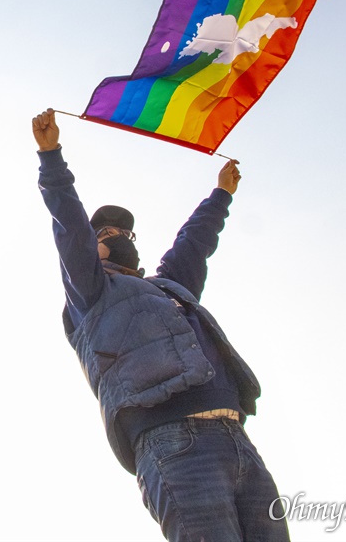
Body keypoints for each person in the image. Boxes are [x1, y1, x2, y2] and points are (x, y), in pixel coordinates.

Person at [31, 108, 288, 541]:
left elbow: (194, 244)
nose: (118, 236)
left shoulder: (170, 285)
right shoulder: (90, 293)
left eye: (126, 233)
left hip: (236, 437)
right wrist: (52, 158)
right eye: (106, 231)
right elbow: (71, 230)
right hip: (174, 443)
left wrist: (220, 195)